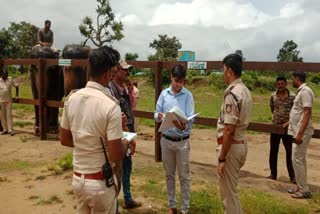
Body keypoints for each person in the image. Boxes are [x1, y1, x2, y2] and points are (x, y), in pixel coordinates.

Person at [60, 46, 130, 214]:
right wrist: (127, 143)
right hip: (100, 183)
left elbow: (65, 140)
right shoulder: (110, 106)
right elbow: (115, 155)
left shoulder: (72, 98)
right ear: (108, 73)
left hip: (78, 179)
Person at [154, 64, 194, 214]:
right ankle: (172, 206)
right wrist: (159, 116)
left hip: (182, 141)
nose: (178, 84)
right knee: (169, 175)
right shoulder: (164, 94)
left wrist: (182, 123)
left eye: (181, 81)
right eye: (176, 81)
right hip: (166, 140)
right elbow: (156, 112)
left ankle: (185, 208)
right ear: (171, 77)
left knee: (184, 176)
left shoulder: (188, 96)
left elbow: (190, 119)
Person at [216, 53, 252, 214]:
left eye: (223, 69)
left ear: (229, 70)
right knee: (231, 192)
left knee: (229, 196)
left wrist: (222, 158)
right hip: (240, 144)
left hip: (231, 148)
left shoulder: (232, 94)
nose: (223, 73)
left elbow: (229, 129)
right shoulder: (244, 90)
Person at [107, 61, 142, 210]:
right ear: (115, 71)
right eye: (125, 70)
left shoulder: (123, 89)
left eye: (128, 70)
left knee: (127, 167)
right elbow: (118, 117)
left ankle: (127, 198)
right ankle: (113, 206)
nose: (128, 73)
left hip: (126, 134)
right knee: (117, 172)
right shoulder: (110, 91)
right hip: (118, 136)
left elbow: (131, 109)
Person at [287, 71, 314, 199]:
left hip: (301, 132)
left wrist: (300, 133)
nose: (291, 81)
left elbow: (307, 112)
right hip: (297, 130)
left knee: (296, 159)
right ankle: (300, 186)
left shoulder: (306, 91)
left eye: (292, 79)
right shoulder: (301, 91)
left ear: (297, 79)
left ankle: (304, 190)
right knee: (300, 160)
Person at [267, 76, 295, 183]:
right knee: (273, 151)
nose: (280, 86)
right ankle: (273, 174)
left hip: (288, 128)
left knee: (289, 152)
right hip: (275, 127)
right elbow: (272, 108)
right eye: (278, 84)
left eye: (282, 84)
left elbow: (295, 112)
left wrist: (288, 122)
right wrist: (276, 119)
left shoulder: (292, 96)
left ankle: (292, 176)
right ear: (276, 85)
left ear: (286, 84)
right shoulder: (273, 96)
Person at [0, 69, 19, 136]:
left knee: (9, 115)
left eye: (7, 74)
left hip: (9, 101)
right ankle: (5, 129)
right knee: (2, 116)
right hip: (1, 101)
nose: (6, 76)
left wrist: (17, 95)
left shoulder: (10, 79)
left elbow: (16, 86)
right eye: (5, 75)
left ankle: (10, 130)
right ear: (1, 74)